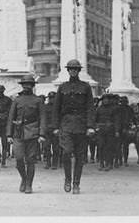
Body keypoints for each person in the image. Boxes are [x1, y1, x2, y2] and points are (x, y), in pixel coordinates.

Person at [51, 58, 95, 194]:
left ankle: (76, 183)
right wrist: (56, 126)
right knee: (66, 152)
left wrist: (90, 126)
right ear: (68, 71)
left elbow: (90, 108)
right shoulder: (62, 87)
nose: (73, 71)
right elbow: (56, 108)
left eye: (75, 69)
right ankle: (67, 179)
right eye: (71, 69)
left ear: (79, 71)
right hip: (66, 124)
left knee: (80, 156)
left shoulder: (85, 87)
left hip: (81, 125)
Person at [6, 74, 45, 194]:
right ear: (22, 86)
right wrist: (9, 134)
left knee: (31, 160)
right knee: (18, 158)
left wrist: (42, 134)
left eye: (29, 84)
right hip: (18, 133)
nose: (26, 87)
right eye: (24, 85)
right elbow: (11, 117)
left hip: (32, 132)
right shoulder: (17, 100)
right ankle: (24, 177)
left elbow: (43, 118)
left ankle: (29, 184)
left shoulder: (38, 100)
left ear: (33, 86)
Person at [94, 92, 120, 171]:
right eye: (104, 99)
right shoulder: (99, 109)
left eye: (107, 99)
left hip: (110, 130)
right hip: (101, 130)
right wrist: (96, 127)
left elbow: (116, 120)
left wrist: (117, 131)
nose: (106, 101)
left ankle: (109, 163)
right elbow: (95, 120)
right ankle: (101, 163)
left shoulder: (113, 109)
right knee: (101, 146)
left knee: (109, 147)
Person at [0, 84, 12, 167]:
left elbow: (10, 112)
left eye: (1, 92)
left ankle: (4, 161)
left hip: (5, 125)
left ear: (3, 91)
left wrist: (1, 116)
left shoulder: (8, 100)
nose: (0, 93)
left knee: (5, 144)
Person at [41, 90, 59, 169]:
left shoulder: (59, 107)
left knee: (56, 148)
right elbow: (43, 119)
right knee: (47, 147)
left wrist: (58, 128)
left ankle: (55, 163)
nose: (51, 99)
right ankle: (48, 163)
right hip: (47, 130)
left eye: (53, 98)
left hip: (56, 130)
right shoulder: (45, 107)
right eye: (50, 98)